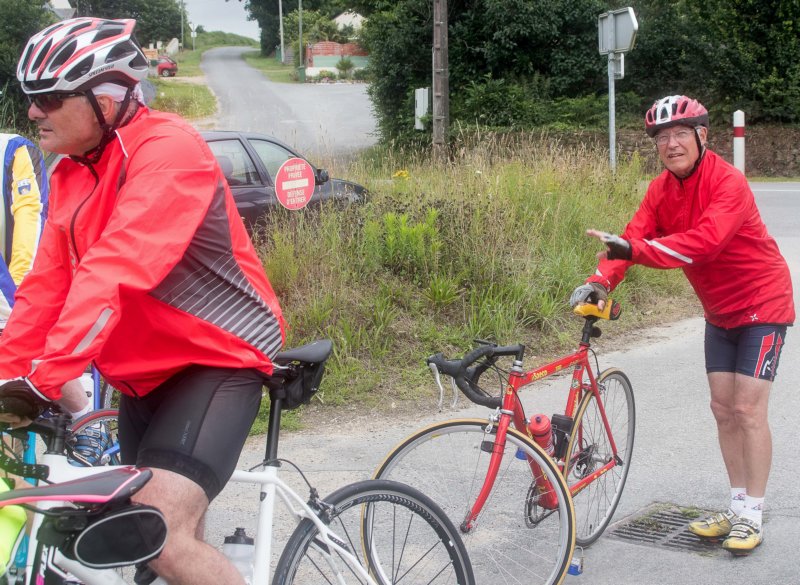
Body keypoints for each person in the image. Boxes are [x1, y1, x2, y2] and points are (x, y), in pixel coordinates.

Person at [0, 17, 285, 585]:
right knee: (149, 550)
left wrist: (45, 380)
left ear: (104, 102)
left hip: (215, 361)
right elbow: (46, 289)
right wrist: (9, 373)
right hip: (140, 379)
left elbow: (116, 271)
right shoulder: (73, 171)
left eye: (49, 99)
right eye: (30, 97)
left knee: (155, 534)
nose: (33, 112)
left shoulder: (168, 150)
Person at [570, 94, 794, 555]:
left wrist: (634, 251)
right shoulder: (660, 190)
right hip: (719, 310)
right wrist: (600, 281)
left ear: (702, 136)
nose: (671, 144)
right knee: (722, 409)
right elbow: (631, 238)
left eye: (680, 134)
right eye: (662, 138)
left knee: (747, 410)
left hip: (763, 303)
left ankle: (752, 515)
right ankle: (735, 506)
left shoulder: (729, 182)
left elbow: (704, 244)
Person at [0, 133, 91, 428]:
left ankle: (88, 422)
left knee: (32, 346)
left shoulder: (11, 149)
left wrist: (18, 296)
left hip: (16, 282)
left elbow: (30, 223)